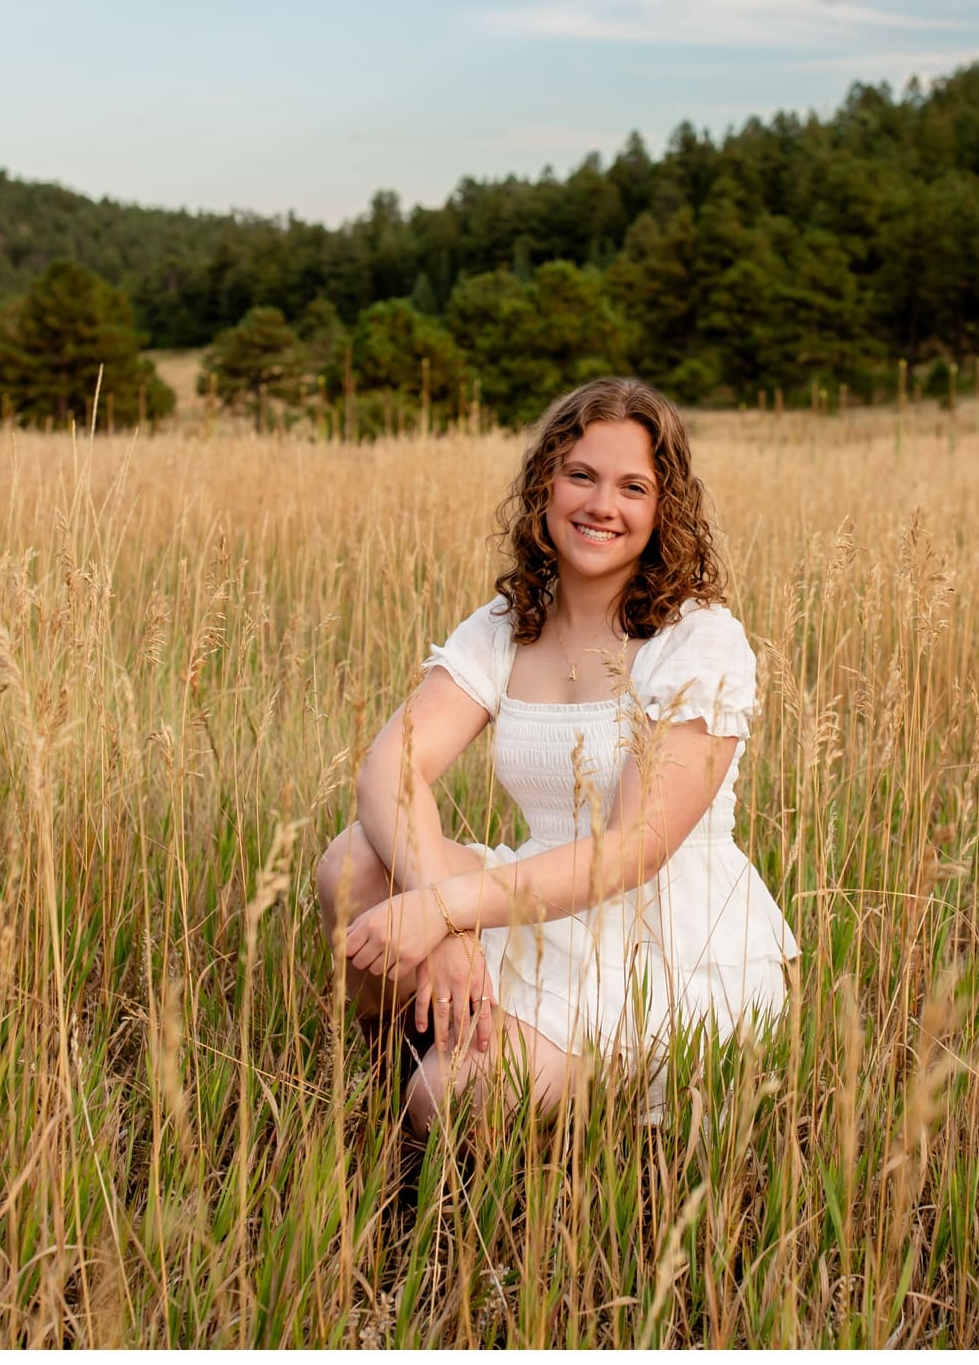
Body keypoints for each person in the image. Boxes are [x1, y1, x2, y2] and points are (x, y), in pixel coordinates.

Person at [313, 376, 800, 1139]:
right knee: (353, 866)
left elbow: (632, 852)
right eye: (582, 475)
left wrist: (441, 909)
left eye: (632, 486)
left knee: (455, 1096)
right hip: (528, 906)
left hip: (659, 945)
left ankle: (476, 1110)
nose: (602, 504)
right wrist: (453, 932)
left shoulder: (697, 639)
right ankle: (392, 1081)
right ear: (546, 485)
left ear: (661, 509)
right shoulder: (511, 623)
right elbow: (389, 768)